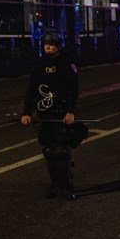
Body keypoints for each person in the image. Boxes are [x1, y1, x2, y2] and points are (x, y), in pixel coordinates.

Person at [20, 30, 80, 200]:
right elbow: (31, 90)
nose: (49, 47)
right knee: (49, 151)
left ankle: (67, 187)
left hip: (61, 114)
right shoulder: (39, 65)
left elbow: (72, 91)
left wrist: (70, 111)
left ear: (58, 46)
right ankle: (55, 186)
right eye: (46, 45)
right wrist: (26, 112)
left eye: (52, 45)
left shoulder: (66, 65)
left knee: (61, 151)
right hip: (44, 114)